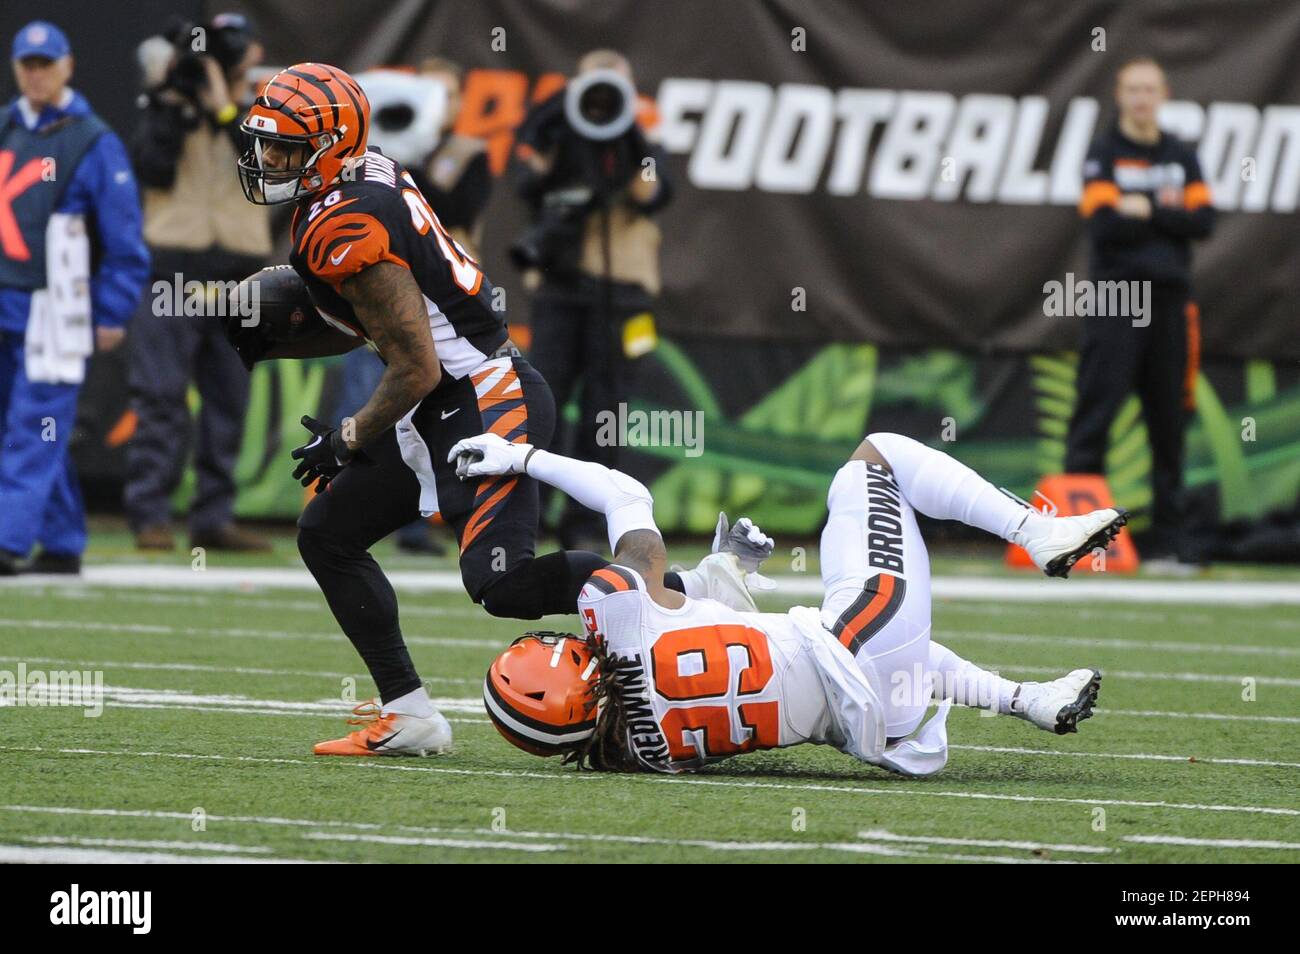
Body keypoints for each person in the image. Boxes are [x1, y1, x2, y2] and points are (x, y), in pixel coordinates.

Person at [231, 63, 706, 757]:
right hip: (444, 400)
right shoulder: (360, 176)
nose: (269, 160)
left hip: (483, 398)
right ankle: (412, 714)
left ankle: (690, 594)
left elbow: (416, 365)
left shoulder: (344, 220)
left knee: (502, 582)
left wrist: (350, 434)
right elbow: (391, 330)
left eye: (287, 148)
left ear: (331, 145)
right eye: (265, 144)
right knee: (327, 531)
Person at [460, 429, 1127, 774]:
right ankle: (1034, 530)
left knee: (886, 652)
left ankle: (1026, 700)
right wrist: (517, 458)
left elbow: (705, 631)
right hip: (853, 650)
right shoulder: (613, 606)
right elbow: (623, 493)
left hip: (869, 726)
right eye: (558, 645)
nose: (567, 636)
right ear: (564, 666)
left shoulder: (637, 750)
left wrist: (727, 569)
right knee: (878, 459)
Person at [0, 20, 149, 576]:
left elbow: (124, 237)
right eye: (27, 64)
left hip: (55, 309)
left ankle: (8, 541)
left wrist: (112, 310)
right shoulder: (6, 128)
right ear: (16, 68)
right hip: (6, 299)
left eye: (45, 63)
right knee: (31, 428)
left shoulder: (93, 140)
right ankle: (61, 542)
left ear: (66, 66)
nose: (36, 74)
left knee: (32, 423)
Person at [513, 49, 672, 551]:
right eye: (592, 89)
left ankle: (586, 524)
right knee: (546, 402)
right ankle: (529, 517)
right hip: (562, 289)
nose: (601, 101)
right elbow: (531, 187)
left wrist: (626, 135)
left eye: (613, 90)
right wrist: (562, 121)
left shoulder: (644, 144)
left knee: (608, 410)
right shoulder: (558, 139)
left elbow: (653, 192)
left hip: (621, 296)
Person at [332, 55, 492, 556]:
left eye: (443, 94)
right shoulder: (372, 154)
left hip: (439, 303)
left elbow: (452, 207)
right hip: (381, 293)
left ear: (458, 103)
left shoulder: (468, 152)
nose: (431, 104)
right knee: (364, 398)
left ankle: (425, 522)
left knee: (435, 402)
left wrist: (413, 154)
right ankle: (340, 507)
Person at [124, 12, 271, 553]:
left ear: (251, 56)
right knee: (160, 395)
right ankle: (149, 515)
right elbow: (151, 169)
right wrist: (168, 101)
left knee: (228, 401)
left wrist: (224, 108)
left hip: (240, 274)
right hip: (174, 268)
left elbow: (266, 171)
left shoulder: (262, 114)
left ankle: (213, 517)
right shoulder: (165, 106)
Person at [1067, 56, 1214, 562]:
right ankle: (1073, 539)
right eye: (1133, 89)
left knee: (1168, 421)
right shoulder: (1104, 152)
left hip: (1170, 302)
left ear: (1164, 94)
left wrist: (1145, 208)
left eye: (1150, 89)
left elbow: (1204, 221)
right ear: (1119, 94)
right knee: (1096, 412)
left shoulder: (1181, 154)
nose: (1141, 98)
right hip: (1116, 298)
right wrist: (1168, 217)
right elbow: (1105, 225)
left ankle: (1170, 544)